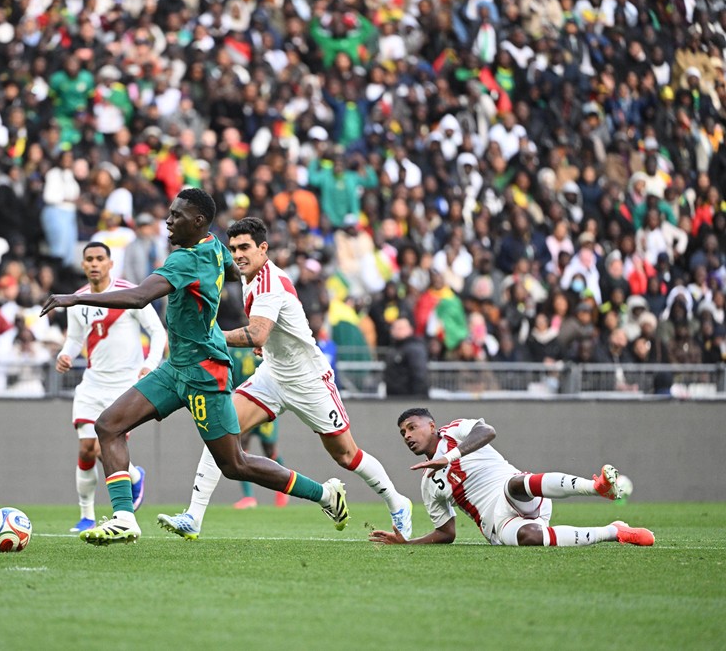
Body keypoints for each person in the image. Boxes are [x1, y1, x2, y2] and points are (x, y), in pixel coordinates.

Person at [41, 188, 349, 545]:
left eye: (176, 216)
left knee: (235, 465)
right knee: (108, 425)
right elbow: (234, 273)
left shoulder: (185, 261)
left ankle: (326, 495)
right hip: (176, 368)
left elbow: (140, 297)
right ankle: (124, 517)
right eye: (169, 214)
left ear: (198, 221)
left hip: (205, 372)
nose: (168, 222)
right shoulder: (215, 248)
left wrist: (76, 297)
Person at [156, 217, 410, 540]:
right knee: (219, 428)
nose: (238, 255)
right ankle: (193, 516)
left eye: (245, 247)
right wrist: (268, 345)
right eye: (233, 248)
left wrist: (209, 336)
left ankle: (398, 502)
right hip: (274, 374)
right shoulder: (250, 277)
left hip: (309, 380)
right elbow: (267, 333)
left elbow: (257, 332)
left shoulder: (268, 282)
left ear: (264, 249)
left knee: (347, 455)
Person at [368, 408, 654, 547]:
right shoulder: (428, 484)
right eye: (402, 433)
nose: (407, 435)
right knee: (529, 538)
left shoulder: (456, 430)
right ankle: (615, 531)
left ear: (431, 426)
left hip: (522, 493)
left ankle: (596, 487)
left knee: (514, 484)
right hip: (497, 525)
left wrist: (451, 457)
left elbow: (488, 432)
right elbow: (447, 533)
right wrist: (408, 543)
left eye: (411, 427)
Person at [55, 241, 167, 534]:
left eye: (99, 258)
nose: (94, 263)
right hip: (92, 384)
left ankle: (133, 476)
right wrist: (65, 354)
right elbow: (75, 339)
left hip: (125, 385)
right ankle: (87, 516)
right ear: (83, 265)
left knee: (104, 448)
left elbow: (157, 331)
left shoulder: (129, 294)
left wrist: (150, 364)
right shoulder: (77, 300)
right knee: (86, 448)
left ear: (110, 263)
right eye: (89, 259)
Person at [227, 345, 286, 510]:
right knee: (242, 447)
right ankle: (249, 497)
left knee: (268, 449)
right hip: (254, 400)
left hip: (257, 401)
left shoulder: (260, 348)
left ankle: (281, 489)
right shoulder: (258, 348)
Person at [384, 317, 430, 397]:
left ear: (410, 329)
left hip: (408, 398)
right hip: (395, 398)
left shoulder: (414, 348)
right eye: (395, 328)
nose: (397, 331)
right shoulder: (394, 348)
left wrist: (417, 399)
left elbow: (419, 376)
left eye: (401, 328)